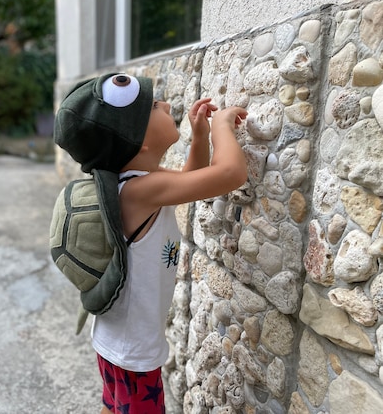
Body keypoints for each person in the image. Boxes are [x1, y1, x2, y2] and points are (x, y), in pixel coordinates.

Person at [53, 73, 247, 414]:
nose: (167, 105)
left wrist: (200, 137)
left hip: (118, 340)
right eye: (156, 106)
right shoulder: (140, 192)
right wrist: (222, 129)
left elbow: (191, 180)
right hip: (132, 350)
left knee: (113, 408)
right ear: (138, 141)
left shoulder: (136, 185)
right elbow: (230, 174)